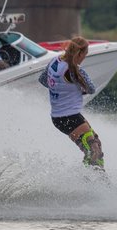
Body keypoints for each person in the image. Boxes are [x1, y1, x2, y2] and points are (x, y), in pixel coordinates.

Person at [38, 36, 105, 172]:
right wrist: (76, 91)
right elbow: (91, 89)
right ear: (80, 53)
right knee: (94, 149)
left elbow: (43, 80)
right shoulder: (76, 71)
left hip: (59, 118)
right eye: (85, 55)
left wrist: (60, 90)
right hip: (70, 117)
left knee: (94, 144)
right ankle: (100, 184)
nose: (84, 58)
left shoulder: (54, 61)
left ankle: (90, 181)